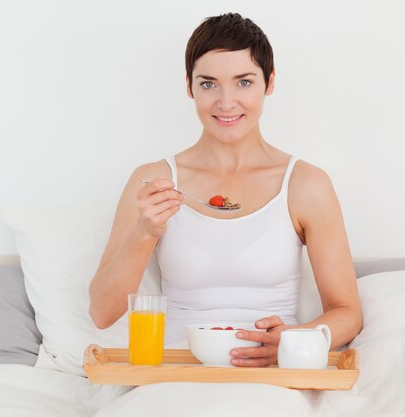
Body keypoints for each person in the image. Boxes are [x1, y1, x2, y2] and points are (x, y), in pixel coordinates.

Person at [88, 12, 362, 367]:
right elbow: (101, 313)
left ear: (270, 82)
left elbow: (347, 312)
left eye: (244, 82)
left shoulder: (305, 183)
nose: (226, 101)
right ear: (189, 86)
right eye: (209, 84)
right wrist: (144, 232)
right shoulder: (154, 180)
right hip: (176, 370)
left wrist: (297, 338)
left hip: (271, 375)